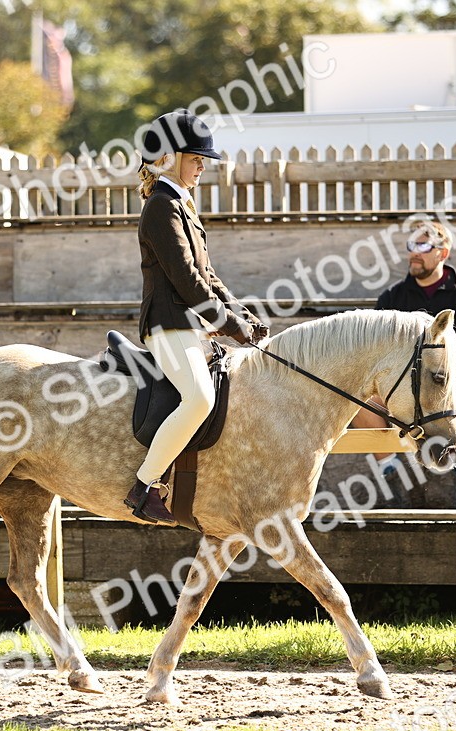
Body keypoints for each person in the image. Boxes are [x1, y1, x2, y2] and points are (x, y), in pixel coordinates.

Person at [124, 110, 268, 525]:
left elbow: (208, 275)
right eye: (195, 158)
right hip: (168, 325)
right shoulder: (161, 208)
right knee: (200, 398)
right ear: (168, 158)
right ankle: (144, 486)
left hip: (189, 325)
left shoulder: (182, 206)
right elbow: (186, 281)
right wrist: (229, 325)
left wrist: (241, 313)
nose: (203, 165)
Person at [351, 221, 456, 477]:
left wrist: (444, 363)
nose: (415, 252)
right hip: (402, 379)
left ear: (443, 252)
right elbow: (372, 351)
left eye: (423, 245)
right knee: (360, 397)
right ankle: (390, 469)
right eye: (412, 245)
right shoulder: (392, 297)